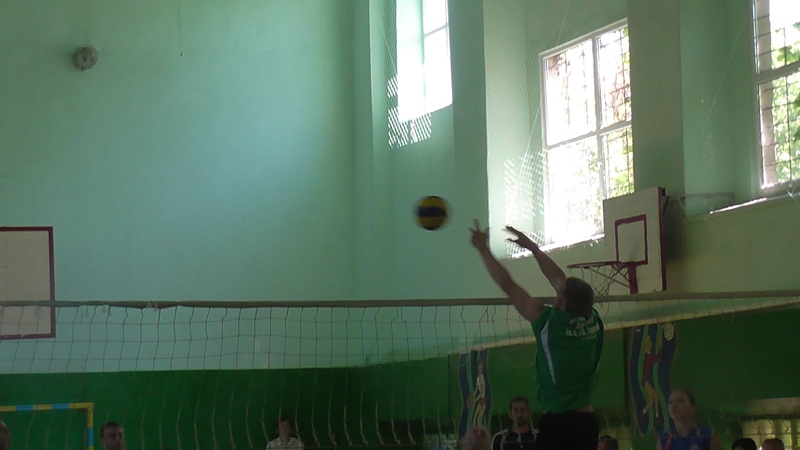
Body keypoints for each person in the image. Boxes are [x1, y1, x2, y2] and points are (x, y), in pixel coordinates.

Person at [469, 220, 603, 450]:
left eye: (559, 293)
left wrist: (483, 248)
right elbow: (559, 279)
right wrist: (534, 249)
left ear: (563, 303)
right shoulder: (593, 320)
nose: (557, 290)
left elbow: (508, 285)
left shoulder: (548, 323)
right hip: (587, 423)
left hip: (558, 423)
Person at [656, 388, 722, 450]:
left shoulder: (707, 436)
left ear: (692, 408)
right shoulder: (664, 440)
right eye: (671, 402)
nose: (674, 405)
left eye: (681, 401)